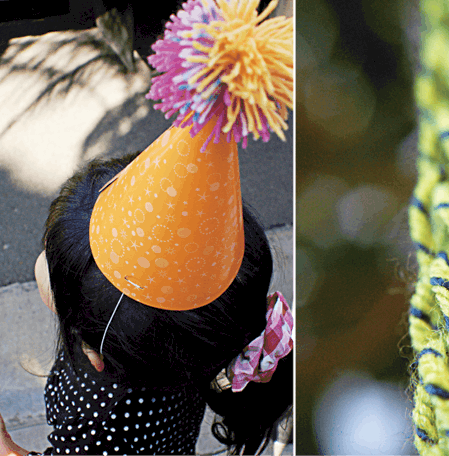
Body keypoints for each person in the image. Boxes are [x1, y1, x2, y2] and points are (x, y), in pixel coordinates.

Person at [0, 0, 293, 454]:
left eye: (51, 261)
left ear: (94, 352)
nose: (43, 260)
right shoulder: (189, 345)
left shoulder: (96, 417)